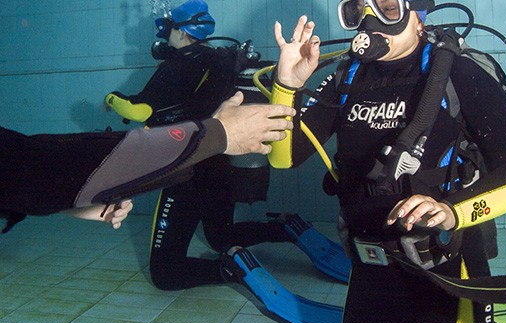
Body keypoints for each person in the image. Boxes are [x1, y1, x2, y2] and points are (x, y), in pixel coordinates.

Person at [268, 0, 506, 323]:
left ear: (418, 17)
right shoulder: (345, 77)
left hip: (446, 269)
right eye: (358, 10)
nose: (370, 21)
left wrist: (454, 210)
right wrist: (287, 84)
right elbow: (285, 157)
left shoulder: (458, 73)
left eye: (386, 7)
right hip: (370, 269)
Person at [104, 0, 346, 294]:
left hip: (187, 166)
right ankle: (283, 227)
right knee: (220, 235)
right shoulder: (221, 59)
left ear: (180, 32)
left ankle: (233, 268)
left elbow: (138, 111)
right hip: (223, 162)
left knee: (165, 273)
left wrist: (111, 98)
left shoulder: (179, 64)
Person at [1, 91, 295, 234]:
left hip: (186, 160)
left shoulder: (177, 66)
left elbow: (24, 168)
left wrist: (72, 198)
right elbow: (27, 168)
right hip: (192, 159)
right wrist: (216, 135)